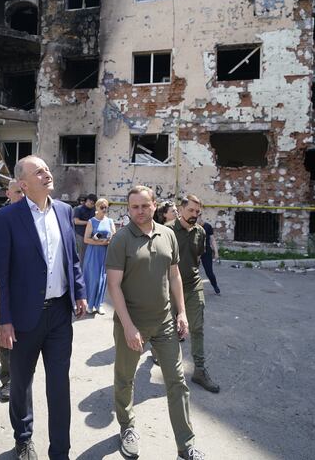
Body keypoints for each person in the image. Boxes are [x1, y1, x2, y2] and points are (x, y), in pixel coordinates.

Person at [0, 155, 87, 460]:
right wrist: (3, 319)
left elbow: (71, 258)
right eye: (39, 171)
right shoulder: (6, 218)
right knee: (21, 382)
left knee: (59, 384)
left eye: (47, 169)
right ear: (23, 183)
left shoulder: (64, 210)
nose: (47, 174)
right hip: (22, 317)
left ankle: (60, 450)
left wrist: (80, 293)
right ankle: (23, 438)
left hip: (59, 313)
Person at [106, 185, 205, 460]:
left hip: (164, 323)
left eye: (144, 205)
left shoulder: (168, 234)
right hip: (132, 324)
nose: (139, 211)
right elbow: (113, 287)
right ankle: (127, 427)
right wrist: (127, 326)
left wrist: (181, 312)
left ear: (154, 205)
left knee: (177, 383)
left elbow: (174, 276)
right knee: (125, 379)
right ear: (128, 209)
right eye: (134, 207)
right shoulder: (121, 240)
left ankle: (186, 446)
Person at [165, 195, 220, 394]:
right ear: (181, 209)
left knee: (197, 327)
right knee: (168, 331)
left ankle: (199, 370)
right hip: (169, 287)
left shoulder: (200, 232)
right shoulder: (167, 231)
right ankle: (171, 370)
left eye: (198, 212)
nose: (195, 215)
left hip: (193, 285)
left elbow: (196, 257)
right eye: (191, 211)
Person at [0, 179, 26, 403]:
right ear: (8, 194)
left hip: (30, 291)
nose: (22, 195)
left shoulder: (35, 217)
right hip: (5, 288)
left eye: (24, 191)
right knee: (6, 336)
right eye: (17, 192)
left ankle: (18, 373)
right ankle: (8, 379)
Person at [82, 197, 116, 314]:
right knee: (93, 279)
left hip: (105, 252)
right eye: (102, 207)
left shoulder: (110, 221)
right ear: (97, 208)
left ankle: (99, 304)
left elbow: (114, 236)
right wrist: (98, 241)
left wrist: (110, 240)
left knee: (103, 279)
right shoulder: (91, 221)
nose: (104, 209)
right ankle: (90, 304)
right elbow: (86, 239)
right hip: (93, 253)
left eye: (106, 207)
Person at [198, 215, 221, 295]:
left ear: (201, 216)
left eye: (198, 215)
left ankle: (215, 285)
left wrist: (216, 252)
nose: (196, 217)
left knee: (209, 272)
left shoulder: (207, 226)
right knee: (192, 271)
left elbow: (212, 240)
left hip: (206, 251)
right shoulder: (192, 226)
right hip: (195, 251)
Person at [73, 193, 97, 263]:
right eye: (91, 203)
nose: (92, 205)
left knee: (90, 255)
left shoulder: (94, 209)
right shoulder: (78, 209)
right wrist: (89, 222)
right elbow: (76, 221)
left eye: (93, 204)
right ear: (88, 201)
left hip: (91, 235)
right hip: (81, 234)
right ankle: (81, 272)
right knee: (82, 255)